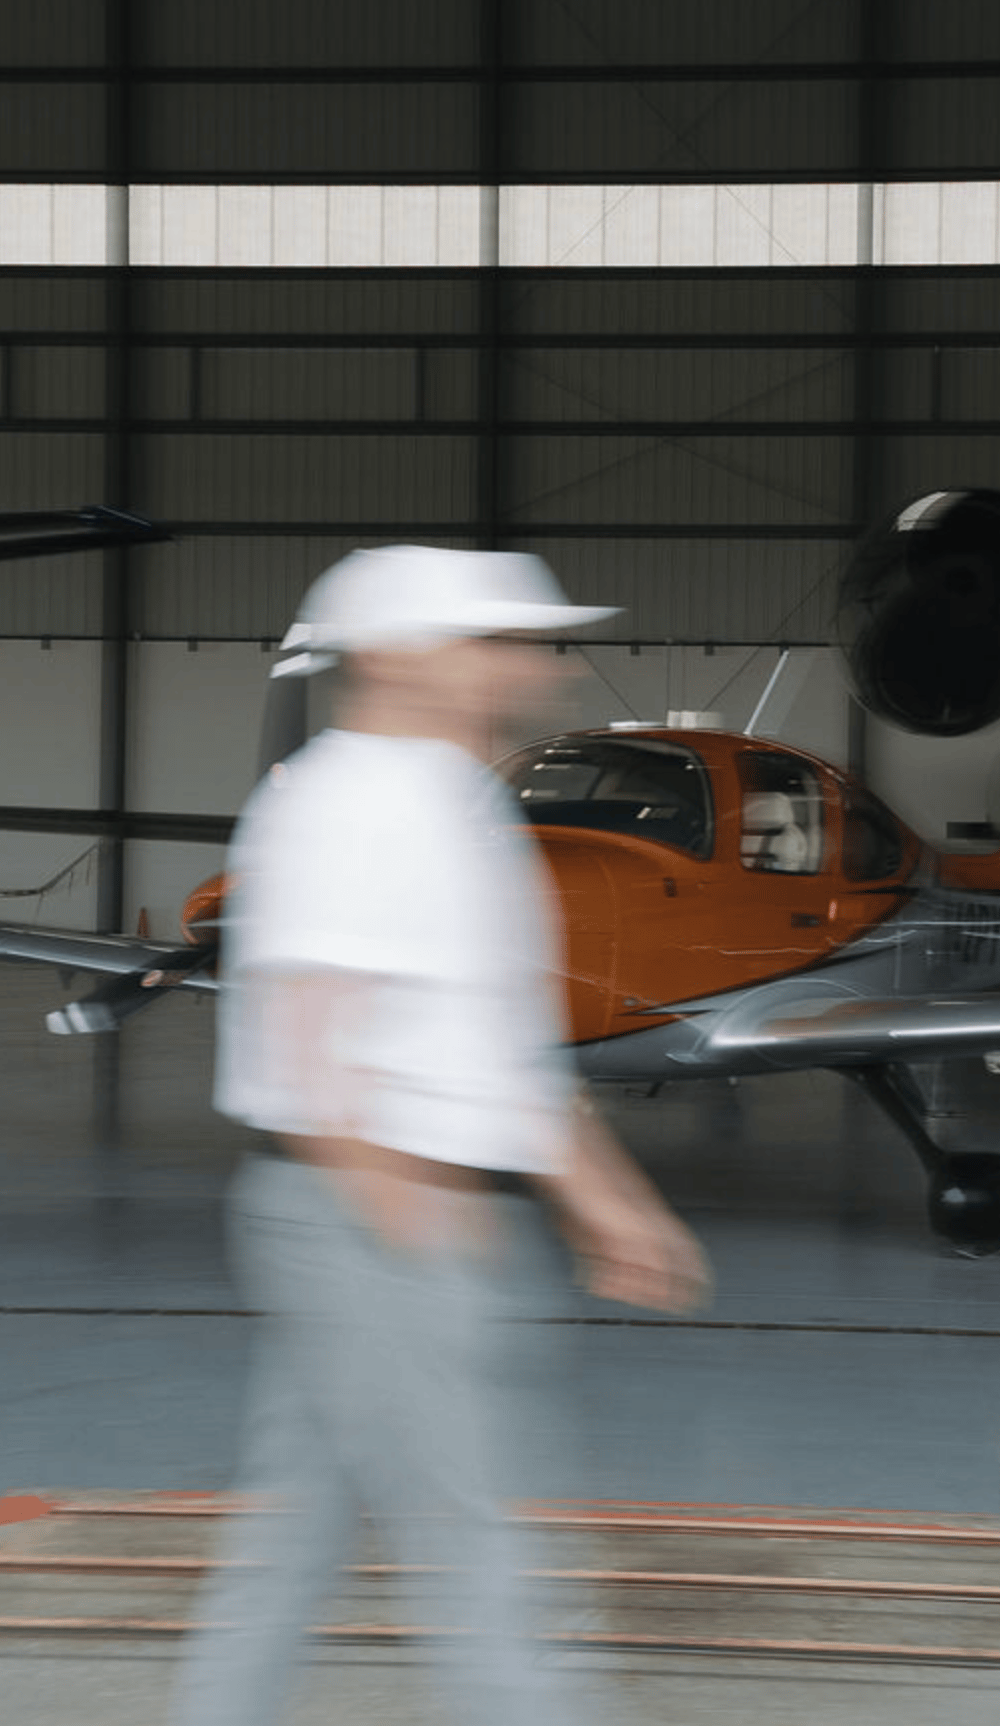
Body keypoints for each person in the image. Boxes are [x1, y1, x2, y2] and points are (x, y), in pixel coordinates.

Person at [167, 546, 710, 1726]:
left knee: (296, 1538)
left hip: (384, 1219)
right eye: (496, 640)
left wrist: (607, 1199)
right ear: (405, 658)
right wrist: (421, 1232)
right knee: (484, 1545)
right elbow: (313, 1040)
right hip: (370, 1219)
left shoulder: (453, 799)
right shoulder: (353, 800)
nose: (530, 662)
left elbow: (494, 1047)